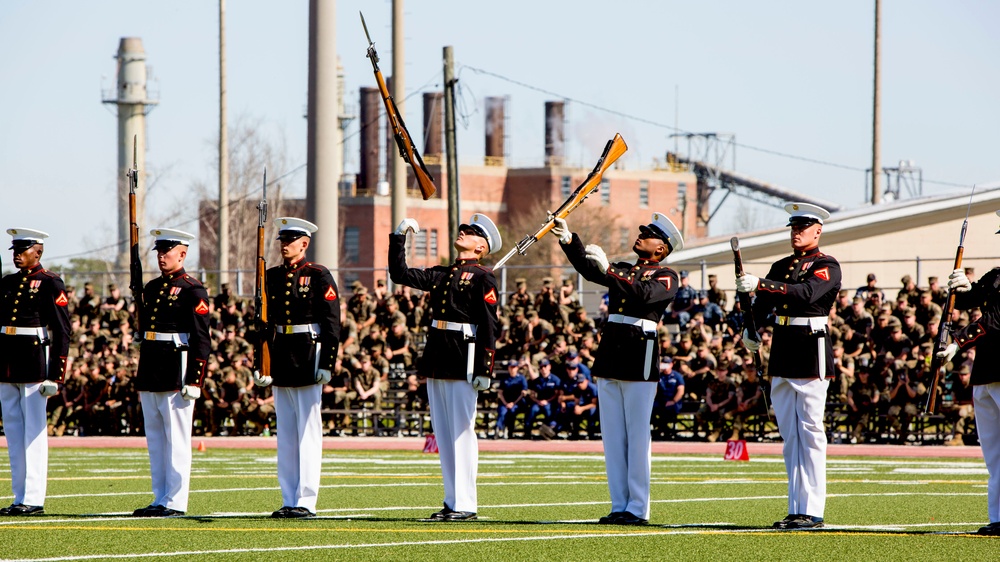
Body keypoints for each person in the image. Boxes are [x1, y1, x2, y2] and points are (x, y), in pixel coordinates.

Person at [553, 211, 681, 525]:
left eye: (648, 234)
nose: (641, 236)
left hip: (640, 352)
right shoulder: (625, 269)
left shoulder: (667, 275)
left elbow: (642, 293)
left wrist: (609, 269)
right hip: (612, 351)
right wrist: (571, 240)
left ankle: (638, 508)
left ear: (661, 248)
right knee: (612, 436)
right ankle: (619, 504)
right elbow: (589, 269)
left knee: (637, 435)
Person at [389, 213, 502, 522]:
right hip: (439, 354)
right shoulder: (443, 273)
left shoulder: (483, 277)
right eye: (464, 229)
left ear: (481, 247)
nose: (463, 232)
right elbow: (400, 274)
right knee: (443, 432)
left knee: (462, 432)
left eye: (471, 232)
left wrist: (485, 368)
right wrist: (399, 238)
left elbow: (491, 325)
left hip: (463, 356)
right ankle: (452, 501)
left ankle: (466, 503)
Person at [736, 202, 841, 530]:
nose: (796, 233)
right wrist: (747, 325)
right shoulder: (781, 265)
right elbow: (763, 305)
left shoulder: (827, 265)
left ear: (817, 230)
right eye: (793, 227)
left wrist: (761, 285)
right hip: (782, 349)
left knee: (810, 431)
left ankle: (812, 509)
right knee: (790, 434)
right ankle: (797, 507)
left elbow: (806, 294)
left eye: (803, 227)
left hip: (811, 348)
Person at [252, 217, 340, 519]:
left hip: (308, 354)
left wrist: (328, 362)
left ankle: (306, 499)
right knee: (286, 434)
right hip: (281, 354)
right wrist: (259, 362)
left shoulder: (318, 275)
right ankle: (289, 497)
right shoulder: (272, 275)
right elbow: (262, 324)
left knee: (308, 432)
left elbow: (331, 323)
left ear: (304, 244)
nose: (284, 245)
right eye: (282, 240)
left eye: (290, 241)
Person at [133, 228, 211, 517]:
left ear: (182, 253)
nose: (162, 256)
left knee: (176, 438)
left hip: (176, 367)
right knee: (155, 437)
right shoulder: (152, 288)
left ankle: (176, 500)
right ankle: (160, 497)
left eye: (167, 251)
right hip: (152, 364)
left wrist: (195, 378)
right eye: (159, 252)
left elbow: (202, 338)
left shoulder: (193, 289)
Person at [0, 228, 70, 516]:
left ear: (37, 252)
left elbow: (62, 330)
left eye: (23, 249)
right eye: (15, 250)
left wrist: (56, 375)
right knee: (14, 434)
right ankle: (20, 497)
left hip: (34, 361)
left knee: (33, 433)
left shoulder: (50, 283)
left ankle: (33, 497)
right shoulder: (7, 282)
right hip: (7, 362)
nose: (17, 254)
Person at [936, 242, 1000, 534]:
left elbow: (994, 320)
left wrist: (957, 342)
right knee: (993, 452)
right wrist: (960, 287)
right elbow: (966, 302)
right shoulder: (996, 275)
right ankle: (998, 517)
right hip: (986, 371)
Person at [495, 360, 528, 439]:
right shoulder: (505, 378)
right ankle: (498, 428)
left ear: (517, 368)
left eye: (514, 367)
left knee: (512, 412)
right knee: (502, 412)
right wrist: (506, 403)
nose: (512, 369)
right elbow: (500, 393)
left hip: (517, 402)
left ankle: (510, 431)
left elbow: (523, 393)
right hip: (505, 402)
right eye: (511, 367)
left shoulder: (521, 378)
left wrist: (513, 403)